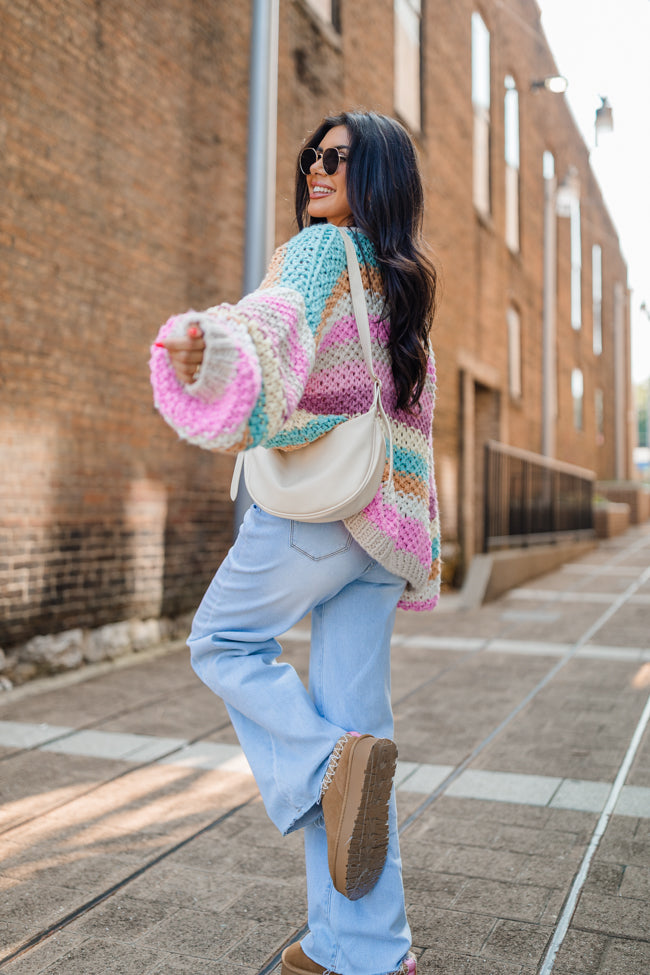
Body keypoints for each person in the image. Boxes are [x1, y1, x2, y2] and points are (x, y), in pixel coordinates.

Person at [150, 111, 440, 975]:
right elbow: (416, 429)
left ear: (376, 174)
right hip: (381, 531)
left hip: (315, 516)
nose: (317, 168)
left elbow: (270, 321)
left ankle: (322, 767)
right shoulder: (403, 284)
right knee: (361, 742)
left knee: (223, 641)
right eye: (314, 155)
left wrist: (212, 346)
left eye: (338, 159)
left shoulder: (318, 253)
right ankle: (364, 949)